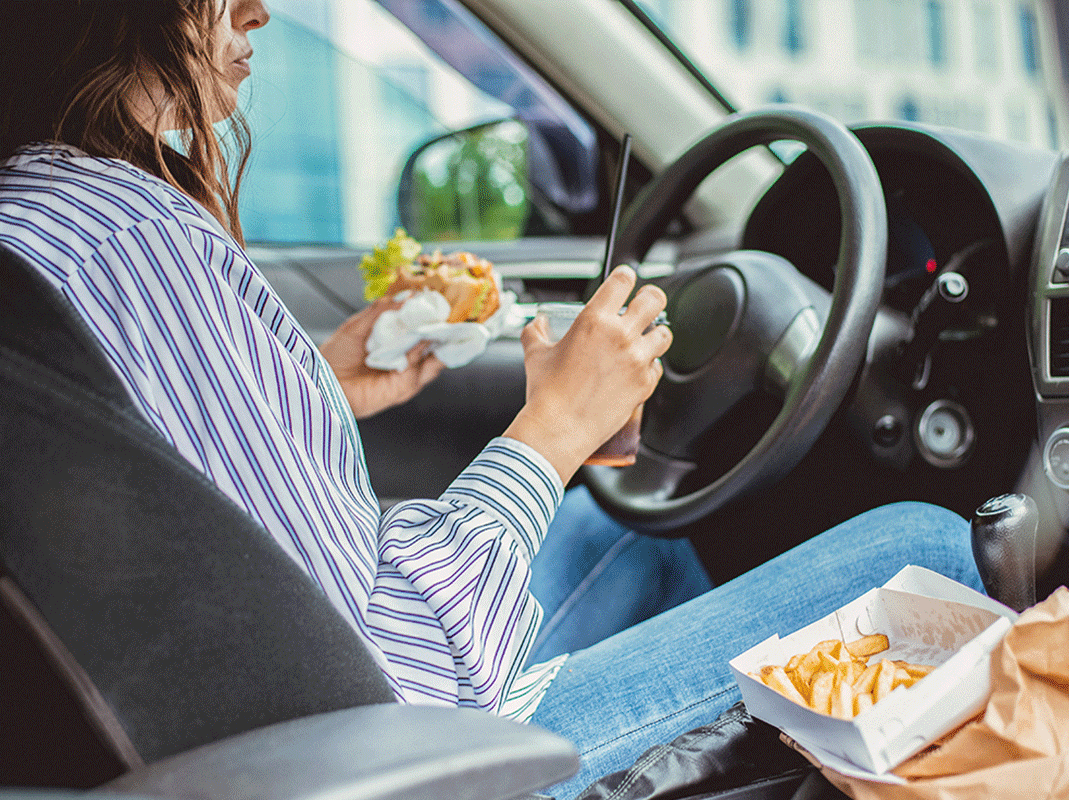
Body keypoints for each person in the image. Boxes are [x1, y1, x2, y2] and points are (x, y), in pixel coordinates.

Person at [0, 2, 986, 797]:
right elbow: (400, 671)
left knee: (636, 531)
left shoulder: (41, 225)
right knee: (927, 544)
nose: (256, 10)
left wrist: (316, 389)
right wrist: (550, 431)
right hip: (395, 757)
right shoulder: (133, 240)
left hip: (234, 722)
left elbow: (177, 513)